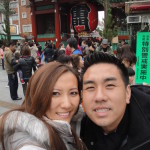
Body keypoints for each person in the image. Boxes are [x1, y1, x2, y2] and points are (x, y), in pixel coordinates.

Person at [0, 62, 87, 150]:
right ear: (37, 94)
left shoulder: (76, 123)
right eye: (55, 93)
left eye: (73, 93)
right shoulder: (28, 144)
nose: (67, 104)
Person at [80, 52, 150, 150]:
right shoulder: (78, 130)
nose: (99, 97)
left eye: (110, 85)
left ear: (127, 93)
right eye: (90, 87)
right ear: (82, 95)